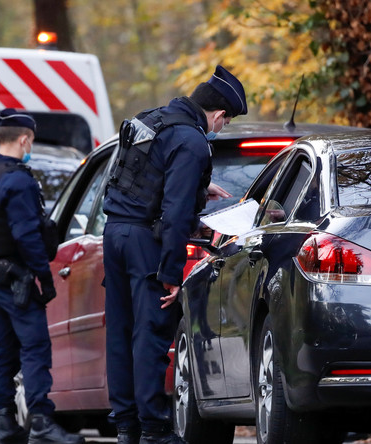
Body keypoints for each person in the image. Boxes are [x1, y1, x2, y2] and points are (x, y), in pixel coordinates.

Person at [102, 65, 246, 444]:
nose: (222, 128)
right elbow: (177, 211)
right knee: (149, 335)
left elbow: (147, 174)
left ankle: (127, 427)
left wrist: (202, 184)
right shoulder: (192, 141)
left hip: (114, 232)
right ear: (217, 114)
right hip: (143, 244)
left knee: (120, 333)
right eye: (226, 122)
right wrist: (170, 273)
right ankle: (154, 430)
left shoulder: (152, 119)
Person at [0, 109, 83, 444]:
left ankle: (3, 424)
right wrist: (43, 277)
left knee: (4, 349)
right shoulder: (17, 180)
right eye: (30, 141)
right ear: (24, 139)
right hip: (14, 277)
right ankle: (42, 424)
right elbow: (26, 235)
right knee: (35, 347)